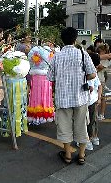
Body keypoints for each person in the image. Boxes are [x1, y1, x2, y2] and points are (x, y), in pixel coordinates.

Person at [47, 27, 96, 165]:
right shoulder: (82, 53)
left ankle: (67, 155)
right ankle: (81, 155)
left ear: (62, 40)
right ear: (75, 40)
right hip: (80, 96)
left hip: (63, 98)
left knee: (64, 126)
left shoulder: (56, 56)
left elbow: (50, 77)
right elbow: (92, 73)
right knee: (81, 125)